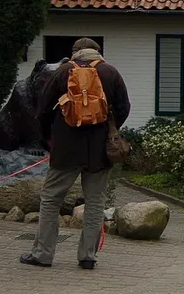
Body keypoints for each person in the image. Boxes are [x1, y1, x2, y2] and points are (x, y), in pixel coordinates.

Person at [21, 38, 130, 270]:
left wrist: (49, 138)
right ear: (97, 52)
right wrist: (109, 129)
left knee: (51, 200)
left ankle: (43, 254)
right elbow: (124, 107)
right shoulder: (110, 72)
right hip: (99, 152)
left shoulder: (63, 71)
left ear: (75, 53)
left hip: (66, 148)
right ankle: (87, 256)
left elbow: (42, 109)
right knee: (95, 203)